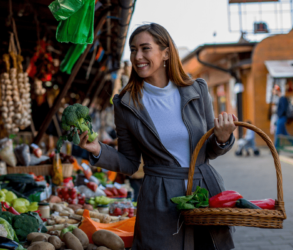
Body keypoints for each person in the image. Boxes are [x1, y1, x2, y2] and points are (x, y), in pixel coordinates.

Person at [78, 23, 237, 250]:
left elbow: (209, 149)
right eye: (133, 50)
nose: (138, 56)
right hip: (160, 199)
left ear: (166, 53)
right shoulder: (125, 103)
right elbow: (130, 162)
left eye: (145, 48)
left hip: (204, 195)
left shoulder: (197, 90)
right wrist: (98, 150)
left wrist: (222, 138)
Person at [273, 85, 290, 150]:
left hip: (282, 118)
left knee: (277, 134)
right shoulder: (280, 99)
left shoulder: (282, 98)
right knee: (285, 134)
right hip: (280, 118)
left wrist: (279, 114)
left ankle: (275, 148)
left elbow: (283, 109)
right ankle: (275, 148)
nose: (273, 92)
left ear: (277, 91)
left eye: (274, 90)